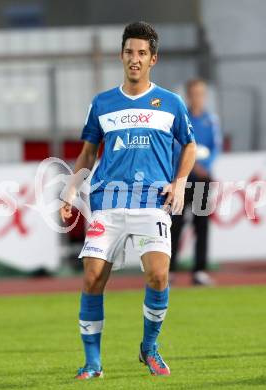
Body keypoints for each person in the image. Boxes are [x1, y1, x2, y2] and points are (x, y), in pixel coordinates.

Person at [60, 21, 196, 379]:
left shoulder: (171, 102)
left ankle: (149, 348)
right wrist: (71, 192)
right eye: (129, 52)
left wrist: (180, 183)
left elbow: (190, 145)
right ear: (121, 55)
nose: (134, 59)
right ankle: (93, 364)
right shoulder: (102, 103)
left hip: (152, 202)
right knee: (91, 278)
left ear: (153, 58)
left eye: (142, 53)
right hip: (108, 202)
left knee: (158, 274)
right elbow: (88, 152)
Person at [170, 79, 222, 286]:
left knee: (202, 225)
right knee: (175, 226)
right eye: (193, 93)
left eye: (200, 93)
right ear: (188, 95)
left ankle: (199, 271)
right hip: (182, 180)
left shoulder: (211, 120)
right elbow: (175, 146)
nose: (197, 97)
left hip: (202, 180)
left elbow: (215, 146)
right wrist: (192, 166)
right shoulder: (181, 118)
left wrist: (205, 165)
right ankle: (169, 271)